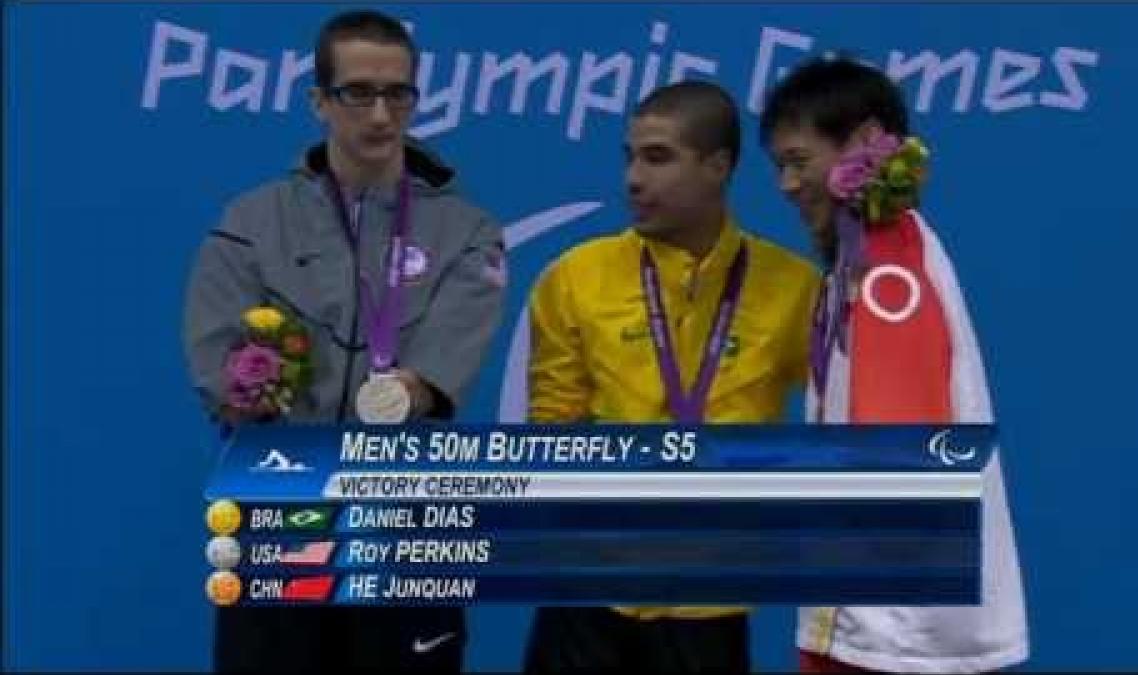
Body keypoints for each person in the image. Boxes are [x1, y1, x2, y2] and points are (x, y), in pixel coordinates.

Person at [183, 9, 506, 672]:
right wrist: (245, 389)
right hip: (280, 516)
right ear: (319, 101)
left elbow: (444, 363)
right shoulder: (250, 222)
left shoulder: (471, 232)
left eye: (398, 93)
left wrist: (406, 391)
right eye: (358, 92)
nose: (381, 115)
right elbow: (220, 368)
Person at [522, 80, 822, 673]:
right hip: (587, 595)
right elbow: (551, 428)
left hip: (707, 601)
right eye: (630, 156)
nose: (634, 178)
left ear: (718, 166)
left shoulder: (795, 289)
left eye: (658, 157)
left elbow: (836, 426)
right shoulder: (574, 276)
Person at [759, 56, 1028, 673]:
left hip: (895, 638)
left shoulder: (889, 272)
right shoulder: (868, 257)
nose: (785, 185)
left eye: (798, 162)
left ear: (863, 144)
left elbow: (903, 459)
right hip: (873, 620)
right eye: (779, 166)